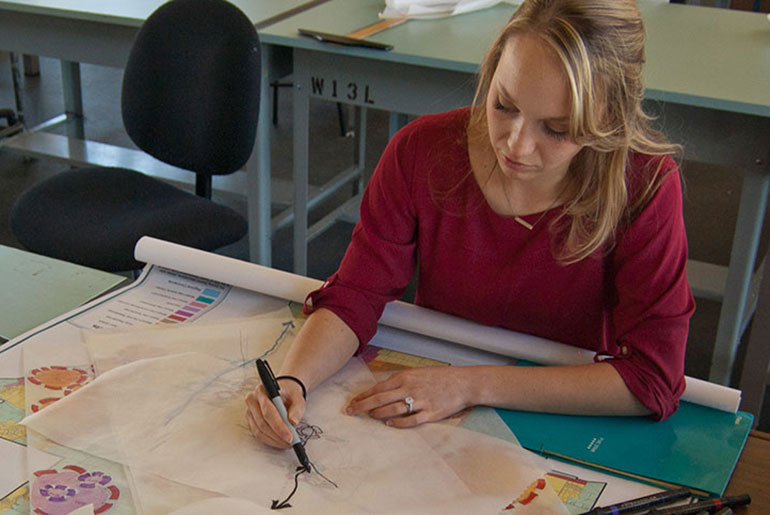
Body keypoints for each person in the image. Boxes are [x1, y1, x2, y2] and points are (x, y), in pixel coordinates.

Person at [245, 0, 695, 450]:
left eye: (557, 130)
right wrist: (295, 378)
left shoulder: (642, 186)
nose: (517, 145)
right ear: (492, 68)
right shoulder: (422, 150)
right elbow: (356, 295)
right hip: (433, 389)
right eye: (504, 105)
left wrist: (470, 385)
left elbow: (652, 377)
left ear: (609, 119)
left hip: (559, 406)